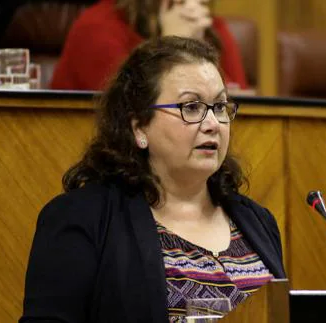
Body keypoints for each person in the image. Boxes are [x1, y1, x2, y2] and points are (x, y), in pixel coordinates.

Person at [19, 36, 285, 323]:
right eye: (191, 107)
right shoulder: (82, 218)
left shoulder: (258, 221)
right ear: (139, 128)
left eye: (219, 107)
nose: (212, 124)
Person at [49, 0, 249, 91]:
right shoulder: (97, 28)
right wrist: (172, 46)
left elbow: (239, 102)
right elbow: (128, 113)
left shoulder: (211, 27)